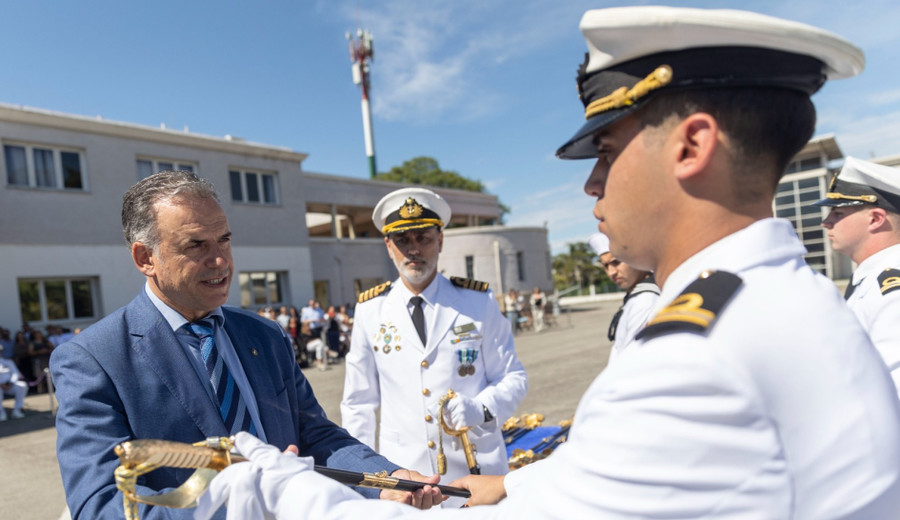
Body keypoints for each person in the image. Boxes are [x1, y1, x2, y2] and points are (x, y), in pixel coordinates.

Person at [194, 7, 900, 520]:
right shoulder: (774, 303)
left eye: (606, 150)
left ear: (692, 145)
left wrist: (278, 487)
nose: (593, 186)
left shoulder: (700, 356)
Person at [49, 170, 441, 520]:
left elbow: (314, 435)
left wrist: (386, 478)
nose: (220, 261)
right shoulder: (94, 360)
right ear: (145, 257)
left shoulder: (264, 336)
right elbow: (100, 505)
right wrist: (234, 500)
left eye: (224, 240)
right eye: (196, 245)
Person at [340, 187, 528, 508]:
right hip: (404, 478)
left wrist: (481, 408)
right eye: (403, 240)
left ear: (440, 240)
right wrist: (369, 482)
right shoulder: (371, 309)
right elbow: (359, 403)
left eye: (423, 238)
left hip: (476, 474)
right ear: (388, 246)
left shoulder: (476, 301)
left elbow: (513, 377)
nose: (414, 250)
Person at [816, 156, 900, 394]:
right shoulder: (873, 278)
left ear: (875, 219)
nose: (825, 222)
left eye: (838, 214)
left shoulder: (892, 289)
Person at [589, 232, 659, 364]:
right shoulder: (635, 296)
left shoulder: (645, 300)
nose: (611, 272)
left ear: (636, 258)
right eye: (606, 266)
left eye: (616, 262)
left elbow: (631, 361)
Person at [0, 344, 27, 420]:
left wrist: (10, 383)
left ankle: (17, 410)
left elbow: (15, 373)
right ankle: (1, 412)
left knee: (22, 385)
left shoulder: (8, 362)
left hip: (9, 385)